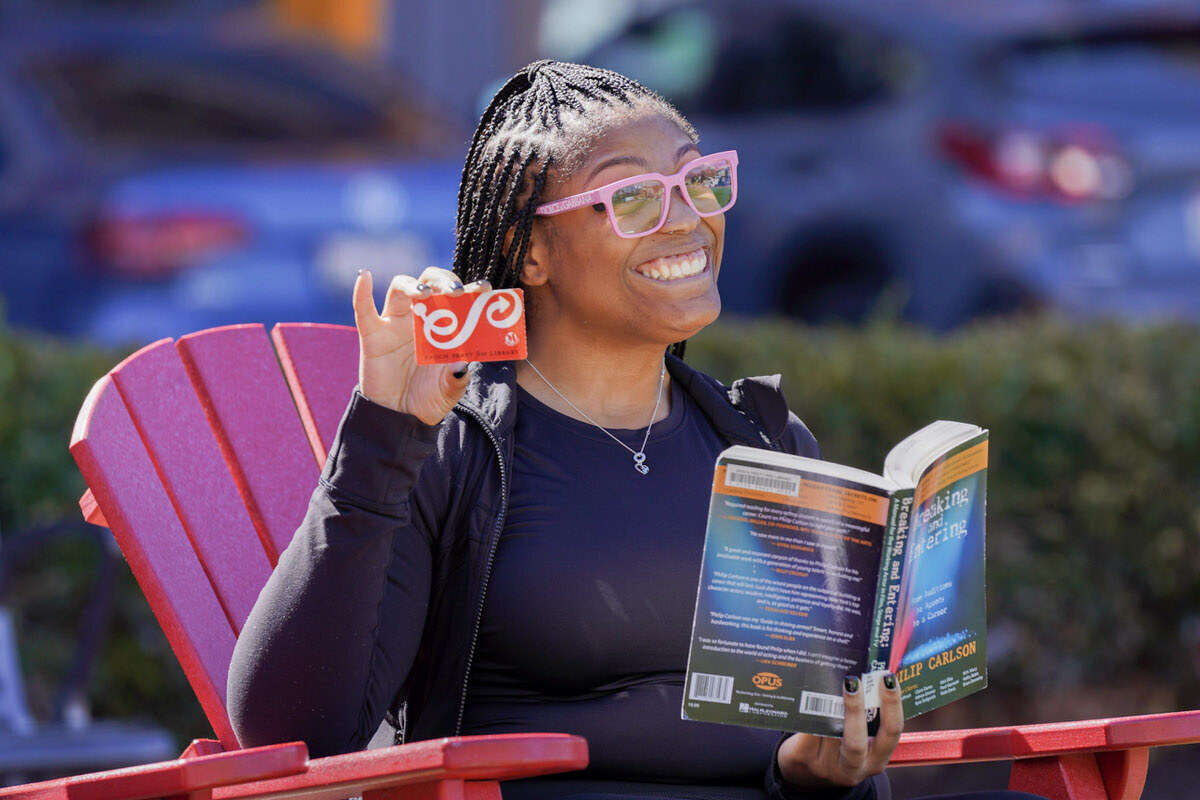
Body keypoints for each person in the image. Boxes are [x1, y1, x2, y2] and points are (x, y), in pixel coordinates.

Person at [227, 61, 1044, 800]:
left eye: (699, 182)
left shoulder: (764, 447)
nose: (688, 221)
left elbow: (819, 761)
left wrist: (814, 772)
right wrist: (382, 433)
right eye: (634, 198)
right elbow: (289, 736)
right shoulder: (453, 449)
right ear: (530, 248)